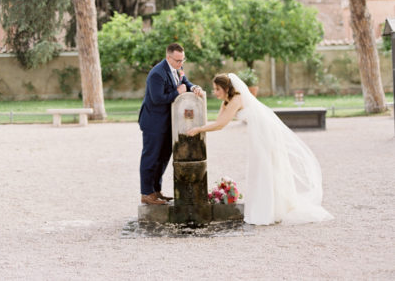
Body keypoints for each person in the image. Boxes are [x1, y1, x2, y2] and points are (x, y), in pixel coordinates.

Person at [187, 73, 333, 225]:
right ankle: (269, 206)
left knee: (264, 167)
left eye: (217, 89)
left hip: (264, 132)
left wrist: (199, 130)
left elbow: (221, 124)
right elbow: (218, 122)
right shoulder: (226, 102)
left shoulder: (237, 99)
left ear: (225, 88)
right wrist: (201, 123)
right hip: (256, 132)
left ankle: (268, 210)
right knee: (260, 168)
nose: (215, 92)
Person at [139, 43, 203, 205]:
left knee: (163, 158)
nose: (181, 64)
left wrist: (193, 87)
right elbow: (157, 99)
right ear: (168, 57)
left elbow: (185, 82)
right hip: (154, 123)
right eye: (177, 60)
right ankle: (146, 193)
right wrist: (177, 93)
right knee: (151, 158)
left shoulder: (177, 69)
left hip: (169, 123)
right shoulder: (157, 74)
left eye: (183, 60)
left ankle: (156, 191)